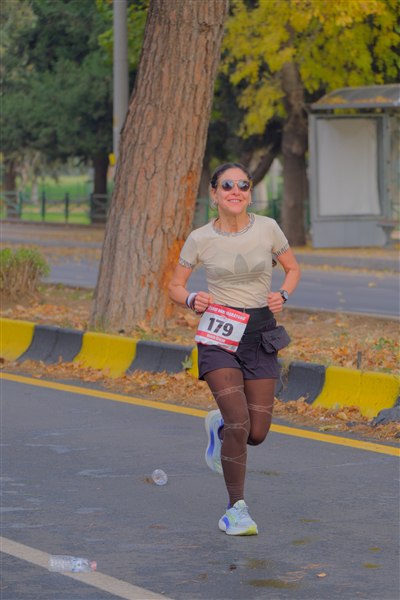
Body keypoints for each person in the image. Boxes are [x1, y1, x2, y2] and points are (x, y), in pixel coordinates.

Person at [168, 162, 301, 536]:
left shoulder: (268, 228)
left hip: (260, 335)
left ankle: (219, 427)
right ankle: (235, 510)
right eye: (227, 185)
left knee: (256, 432)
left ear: (250, 193)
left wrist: (283, 294)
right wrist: (191, 298)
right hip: (219, 337)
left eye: (243, 185)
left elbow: (292, 269)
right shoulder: (200, 238)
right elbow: (175, 286)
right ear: (214, 193)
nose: (236, 191)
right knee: (240, 423)